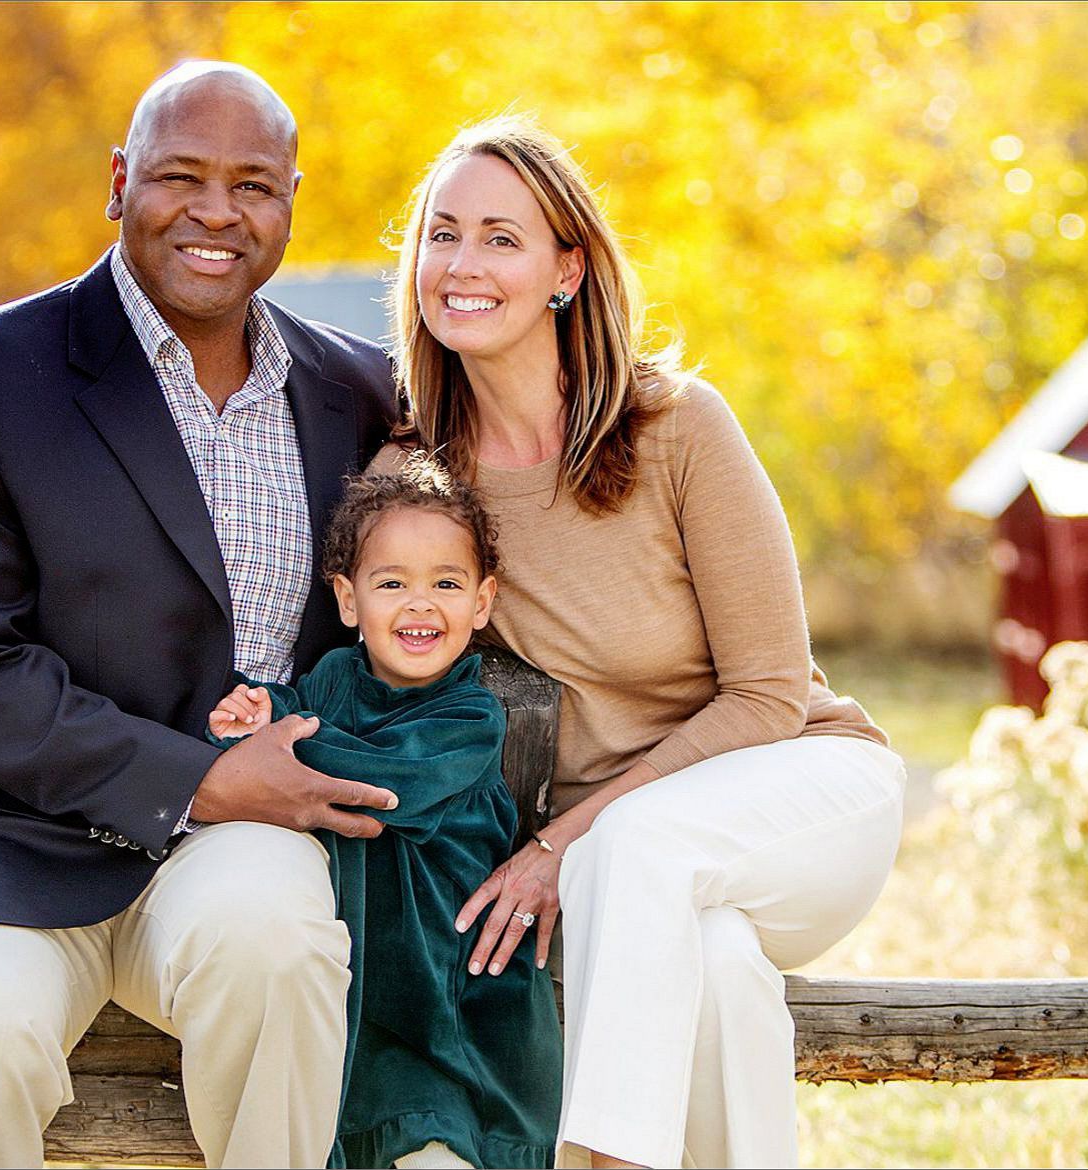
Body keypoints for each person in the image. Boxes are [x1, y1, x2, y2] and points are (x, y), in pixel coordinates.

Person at [0, 61, 402, 1167]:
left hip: (245, 844)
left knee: (285, 955)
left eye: (254, 184)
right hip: (3, 830)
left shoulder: (361, 396)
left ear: (292, 201)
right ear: (119, 183)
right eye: (180, 177)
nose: (216, 212)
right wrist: (195, 777)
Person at [378, 117, 908, 1168]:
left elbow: (765, 697)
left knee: (639, 849)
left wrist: (558, 850)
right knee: (716, 972)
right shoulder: (420, 478)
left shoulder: (676, 427)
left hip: (800, 801)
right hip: (628, 889)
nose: (462, 265)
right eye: (443, 236)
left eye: (500, 237)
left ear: (566, 269)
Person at [207, 455, 563, 1169]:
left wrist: (281, 749)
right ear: (348, 600)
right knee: (347, 1120)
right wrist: (260, 710)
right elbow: (298, 709)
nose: (420, 603)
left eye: (447, 584)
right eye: (392, 583)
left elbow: (385, 783)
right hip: (364, 974)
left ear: (483, 602)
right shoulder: (335, 679)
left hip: (448, 980)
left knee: (437, 1132)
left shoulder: (469, 715)